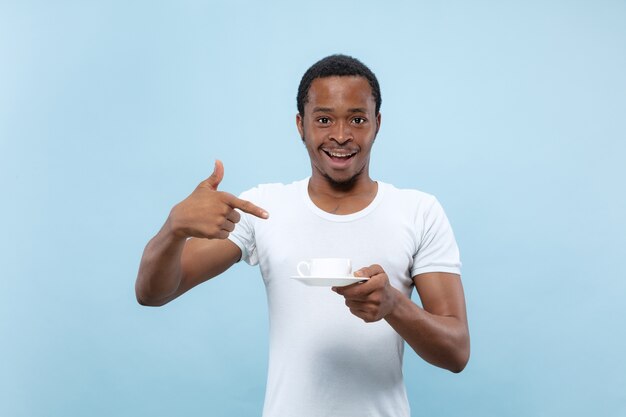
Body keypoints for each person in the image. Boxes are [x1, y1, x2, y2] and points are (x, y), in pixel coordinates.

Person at [136, 54, 470, 417]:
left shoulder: (419, 212)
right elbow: (152, 293)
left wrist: (395, 305)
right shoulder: (262, 207)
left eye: (357, 119)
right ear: (301, 124)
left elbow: (456, 352)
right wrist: (173, 229)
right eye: (324, 119)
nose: (341, 136)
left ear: (377, 123)